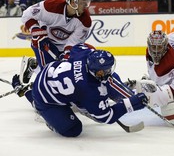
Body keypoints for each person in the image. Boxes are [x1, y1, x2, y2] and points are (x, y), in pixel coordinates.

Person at [11, 43, 148, 137]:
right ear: (97, 72)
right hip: (45, 97)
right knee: (74, 130)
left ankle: (36, 68)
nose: (109, 71)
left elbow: (74, 48)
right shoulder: (88, 90)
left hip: (49, 71)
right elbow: (106, 117)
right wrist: (131, 104)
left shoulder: (85, 55)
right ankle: (28, 93)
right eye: (105, 70)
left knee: (107, 81)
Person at [20, 0, 92, 85]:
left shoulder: (85, 20)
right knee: (49, 75)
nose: (85, 6)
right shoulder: (51, 6)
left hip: (63, 47)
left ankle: (34, 65)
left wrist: (66, 55)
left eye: (86, 2)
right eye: (82, 2)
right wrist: (36, 30)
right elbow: (27, 14)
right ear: (72, 2)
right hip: (44, 42)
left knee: (68, 72)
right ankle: (40, 74)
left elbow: (73, 42)